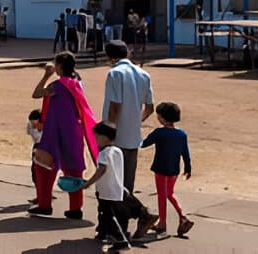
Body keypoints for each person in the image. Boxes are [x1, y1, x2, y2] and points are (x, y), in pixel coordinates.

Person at [29, 52, 98, 219]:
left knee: (43, 167)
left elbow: (37, 93)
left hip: (55, 130)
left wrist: (46, 75)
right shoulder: (76, 84)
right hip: (74, 130)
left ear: (59, 66)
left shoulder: (58, 86)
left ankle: (45, 204)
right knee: (74, 170)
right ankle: (75, 208)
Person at [81, 122, 159, 245]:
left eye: (96, 137)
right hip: (116, 188)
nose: (95, 140)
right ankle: (105, 232)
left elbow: (102, 170)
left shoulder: (103, 153)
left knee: (107, 214)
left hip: (106, 191)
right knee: (114, 213)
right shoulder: (117, 150)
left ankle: (119, 237)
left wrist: (89, 183)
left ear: (105, 137)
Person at [101, 40, 154, 193]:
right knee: (128, 181)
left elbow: (115, 106)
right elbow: (149, 108)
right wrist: (135, 121)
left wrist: (108, 131)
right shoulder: (144, 74)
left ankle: (135, 211)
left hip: (116, 136)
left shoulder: (114, 73)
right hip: (133, 136)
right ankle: (130, 211)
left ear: (110, 57)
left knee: (113, 180)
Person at [141, 101, 193, 237]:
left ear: (162, 117)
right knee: (169, 193)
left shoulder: (159, 133)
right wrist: (188, 167)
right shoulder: (181, 134)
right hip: (174, 169)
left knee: (162, 196)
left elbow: (143, 144)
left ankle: (162, 223)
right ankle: (183, 216)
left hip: (161, 169)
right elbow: (185, 153)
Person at [27, 108, 44, 191]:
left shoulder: (47, 126)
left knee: (44, 172)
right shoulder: (30, 126)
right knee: (34, 171)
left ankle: (45, 193)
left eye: (34, 122)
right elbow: (35, 138)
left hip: (46, 147)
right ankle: (39, 193)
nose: (32, 124)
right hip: (37, 146)